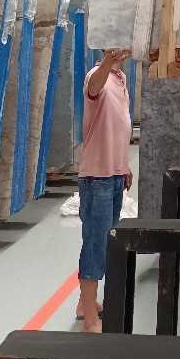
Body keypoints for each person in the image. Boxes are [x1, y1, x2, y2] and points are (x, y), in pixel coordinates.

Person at [75, 48, 133, 333]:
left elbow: (118, 128)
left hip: (114, 174)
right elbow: (94, 88)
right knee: (95, 245)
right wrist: (108, 61)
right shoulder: (96, 76)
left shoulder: (121, 79)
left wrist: (125, 167)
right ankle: (90, 319)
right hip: (97, 177)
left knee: (106, 242)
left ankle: (84, 304)